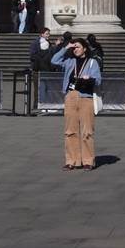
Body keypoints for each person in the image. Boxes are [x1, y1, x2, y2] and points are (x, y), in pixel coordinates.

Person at [49, 35, 102, 169]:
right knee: (70, 130)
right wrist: (65, 47)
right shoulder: (69, 61)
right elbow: (54, 60)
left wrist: (89, 77)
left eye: (77, 47)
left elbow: (98, 80)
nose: (75, 49)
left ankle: (88, 161)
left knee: (87, 131)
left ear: (84, 49)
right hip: (71, 96)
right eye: (74, 48)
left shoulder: (92, 62)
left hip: (86, 97)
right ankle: (72, 161)